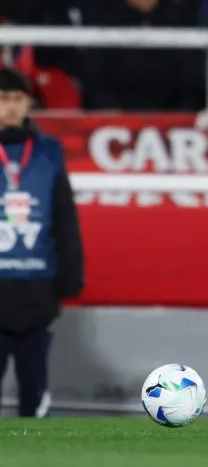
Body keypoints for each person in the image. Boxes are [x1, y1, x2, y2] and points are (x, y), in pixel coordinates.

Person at [0, 69, 84, 418]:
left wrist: (69, 277)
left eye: (18, 99)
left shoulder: (49, 151)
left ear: (29, 103)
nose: (10, 107)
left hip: (37, 286)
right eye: (3, 99)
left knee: (35, 394)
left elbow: (64, 217)